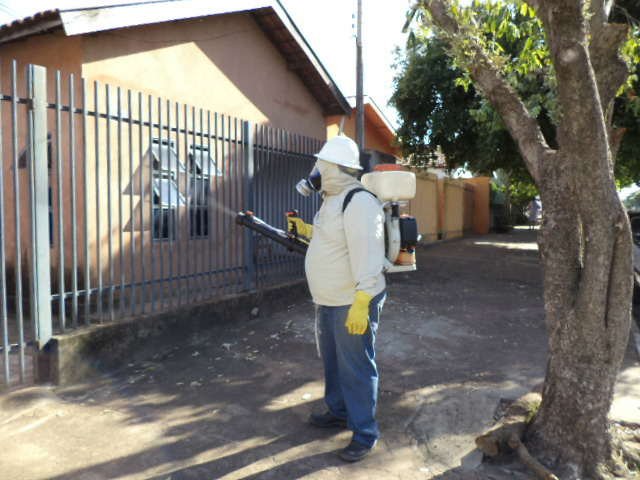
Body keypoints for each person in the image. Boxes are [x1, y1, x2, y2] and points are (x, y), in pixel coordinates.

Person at [287, 135, 386, 463]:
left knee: (356, 366)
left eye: (320, 164)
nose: (314, 170)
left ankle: (365, 432)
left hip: (351, 301)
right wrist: (303, 228)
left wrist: (361, 302)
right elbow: (331, 239)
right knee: (333, 362)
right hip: (328, 300)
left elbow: (369, 253)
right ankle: (339, 411)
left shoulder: (359, 202)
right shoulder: (332, 200)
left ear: (333, 168)